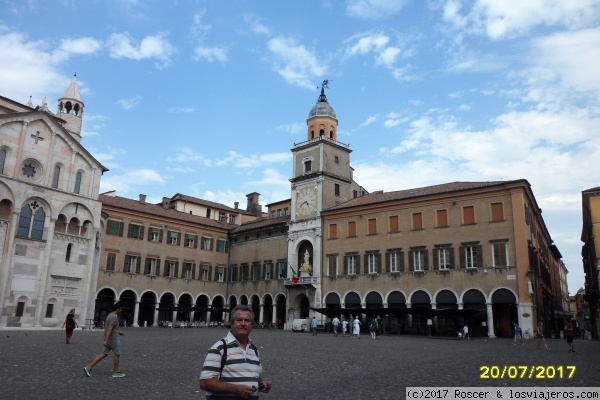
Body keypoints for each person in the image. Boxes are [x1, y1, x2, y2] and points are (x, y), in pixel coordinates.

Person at [200, 305, 272, 399]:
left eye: (247, 320)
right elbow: (205, 382)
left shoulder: (253, 350)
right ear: (232, 323)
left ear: (252, 325)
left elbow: (254, 376)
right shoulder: (219, 348)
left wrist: (260, 384)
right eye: (239, 320)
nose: (243, 323)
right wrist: (236, 389)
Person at [84, 302, 126, 378]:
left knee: (104, 354)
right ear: (117, 309)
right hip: (112, 339)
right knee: (117, 354)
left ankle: (89, 367)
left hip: (110, 338)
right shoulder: (114, 317)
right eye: (121, 309)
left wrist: (118, 332)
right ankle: (116, 372)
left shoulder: (110, 315)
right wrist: (106, 340)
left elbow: (110, 328)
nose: (121, 310)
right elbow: (109, 329)